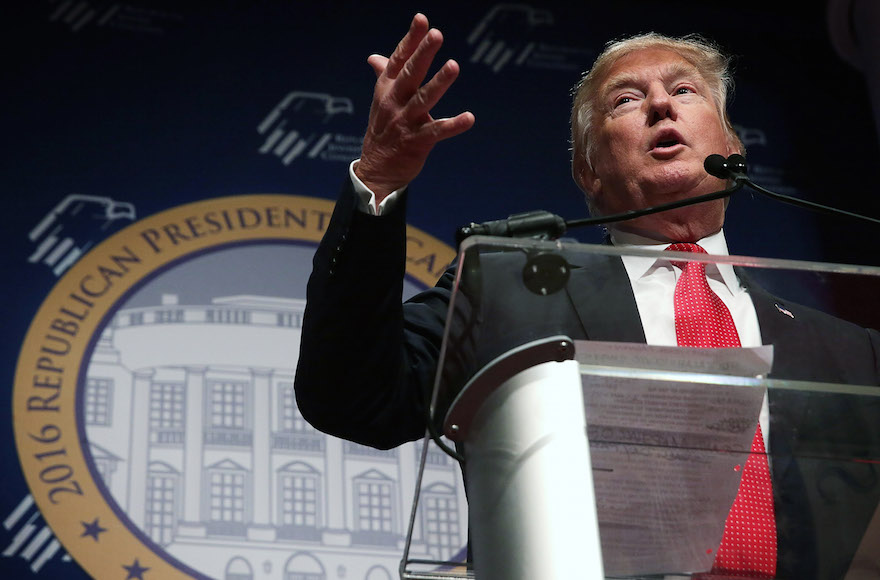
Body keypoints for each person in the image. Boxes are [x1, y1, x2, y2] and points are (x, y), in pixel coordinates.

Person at [294, 13, 880, 579]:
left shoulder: (850, 355)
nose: (660, 104)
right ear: (588, 169)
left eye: (684, 90)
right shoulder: (508, 291)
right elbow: (352, 394)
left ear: (733, 149)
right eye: (626, 100)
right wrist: (380, 177)